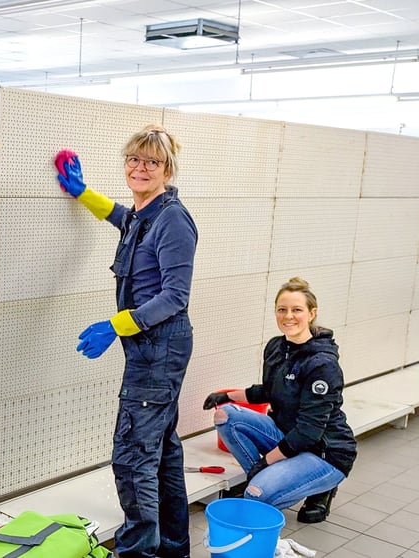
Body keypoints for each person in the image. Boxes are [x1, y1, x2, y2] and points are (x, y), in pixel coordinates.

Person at [55, 125, 198, 558]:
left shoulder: (173, 218)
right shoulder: (146, 211)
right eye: (133, 159)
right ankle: (173, 548)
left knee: (133, 457)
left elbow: (176, 295)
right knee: (163, 452)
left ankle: (138, 553)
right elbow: (124, 218)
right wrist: (83, 192)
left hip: (160, 348)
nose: (140, 168)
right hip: (152, 348)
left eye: (151, 162)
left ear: (167, 169)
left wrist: (115, 325)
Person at [203, 277, 357, 524]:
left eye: (297, 310)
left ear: (311, 313)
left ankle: (315, 488)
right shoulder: (276, 347)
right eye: (282, 310)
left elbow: (309, 432)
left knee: (256, 496)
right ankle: (269, 478)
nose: (289, 316)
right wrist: (226, 396)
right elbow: (271, 390)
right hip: (287, 435)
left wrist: (264, 461)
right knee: (226, 416)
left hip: (324, 451)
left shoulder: (322, 364)